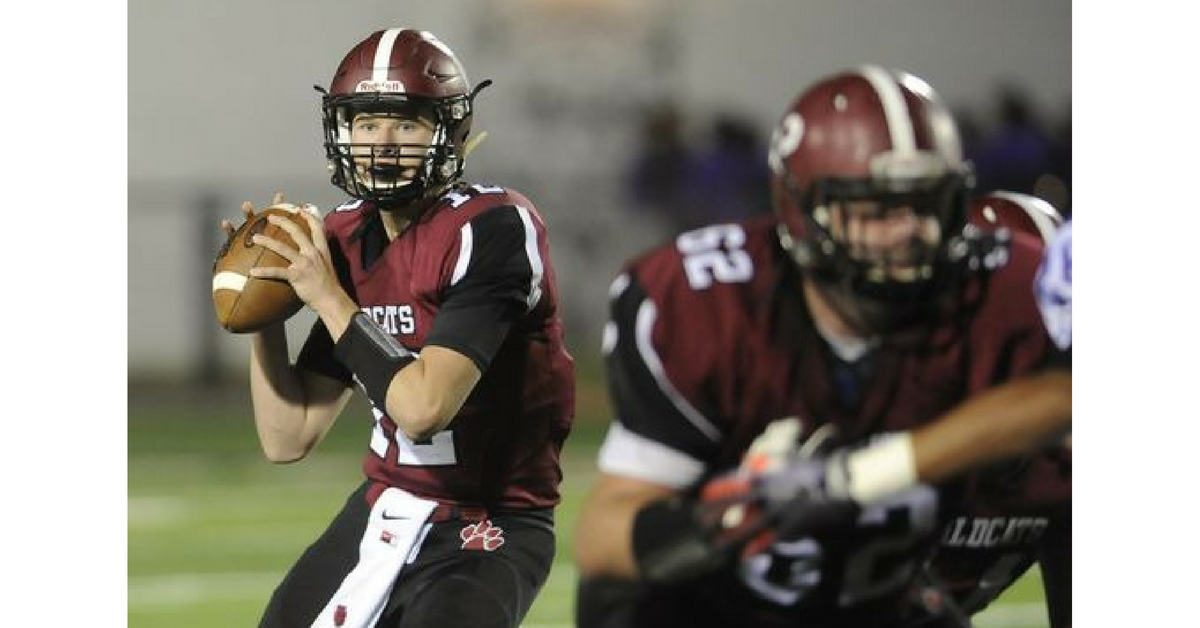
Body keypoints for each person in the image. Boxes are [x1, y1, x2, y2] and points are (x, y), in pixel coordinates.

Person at [573, 66, 1067, 628]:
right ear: (803, 210)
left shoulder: (1001, 287)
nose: (908, 232)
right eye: (877, 211)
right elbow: (603, 540)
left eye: (927, 205)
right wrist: (732, 512)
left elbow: (1067, 393)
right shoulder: (714, 305)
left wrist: (858, 478)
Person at [218, 28, 575, 628]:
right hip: (385, 504)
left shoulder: (491, 229)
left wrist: (328, 297)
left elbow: (424, 408)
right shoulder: (348, 236)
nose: (382, 144)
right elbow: (287, 437)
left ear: (450, 131)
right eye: (365, 124)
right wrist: (267, 306)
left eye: (405, 124)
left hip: (489, 520)